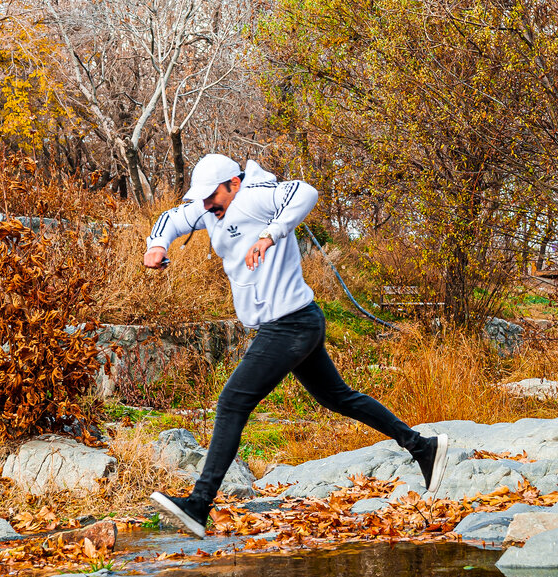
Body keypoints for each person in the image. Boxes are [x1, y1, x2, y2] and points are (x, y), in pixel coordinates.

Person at [142, 153, 449, 538]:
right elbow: (173, 217)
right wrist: (157, 245)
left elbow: (304, 192)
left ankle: (198, 505)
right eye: (201, 199)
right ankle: (423, 447)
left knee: (232, 401)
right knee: (339, 397)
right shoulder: (209, 209)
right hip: (297, 321)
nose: (206, 205)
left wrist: (271, 234)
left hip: (288, 325)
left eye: (212, 197)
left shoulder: (254, 196)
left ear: (234, 185)